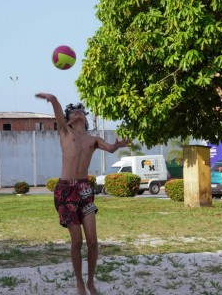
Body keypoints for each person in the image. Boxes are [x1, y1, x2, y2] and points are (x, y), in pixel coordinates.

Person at [35, 93, 131, 295]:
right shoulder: (64, 132)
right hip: (65, 190)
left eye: (81, 110)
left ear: (85, 118)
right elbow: (57, 109)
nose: (78, 112)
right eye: (74, 111)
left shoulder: (93, 139)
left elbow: (110, 149)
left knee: (93, 241)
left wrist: (118, 145)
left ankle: (90, 281)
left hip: (85, 190)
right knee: (77, 240)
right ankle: (79, 283)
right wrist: (51, 97)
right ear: (69, 118)